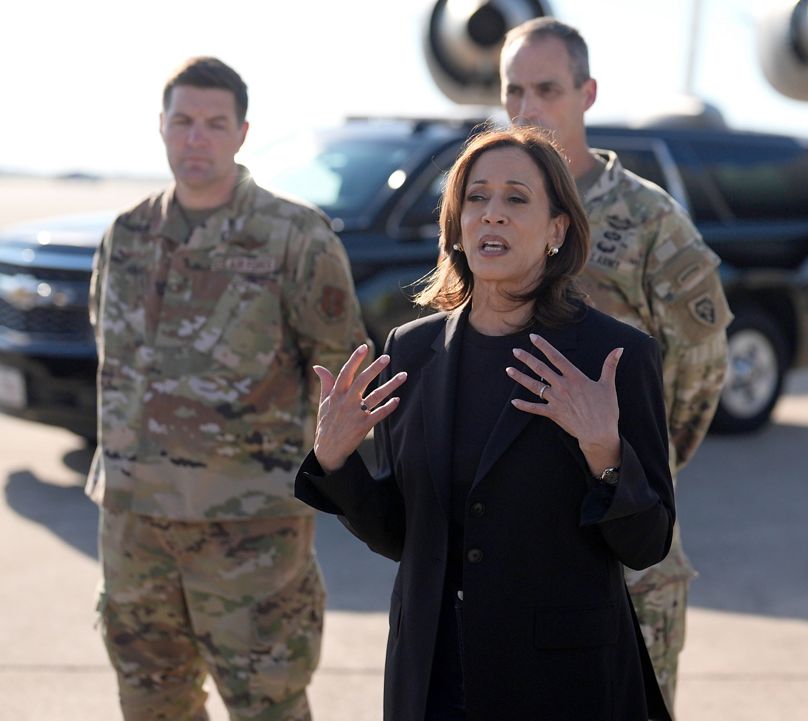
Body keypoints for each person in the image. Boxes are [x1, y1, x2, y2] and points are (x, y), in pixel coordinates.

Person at [294, 126, 675, 721]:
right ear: (456, 223)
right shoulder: (412, 351)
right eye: (476, 198)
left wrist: (605, 452)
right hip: (434, 675)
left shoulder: (613, 356)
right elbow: (402, 535)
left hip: (560, 684)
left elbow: (647, 543)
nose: (491, 215)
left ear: (557, 229)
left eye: (516, 199)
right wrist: (337, 462)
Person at [88, 56, 369, 721]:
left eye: (215, 124)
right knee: (151, 700)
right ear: (161, 126)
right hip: (134, 525)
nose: (196, 139)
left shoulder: (294, 237)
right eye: (182, 121)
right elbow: (113, 352)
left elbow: (344, 375)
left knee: (267, 705)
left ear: (243, 133)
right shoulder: (126, 235)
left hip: (251, 530)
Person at [500, 18, 732, 709]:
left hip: (624, 550)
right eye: (513, 91)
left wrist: (637, 464)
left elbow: (700, 368)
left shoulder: (648, 220)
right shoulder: (490, 210)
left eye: (546, 89)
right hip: (515, 548)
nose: (526, 108)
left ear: (586, 93)